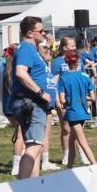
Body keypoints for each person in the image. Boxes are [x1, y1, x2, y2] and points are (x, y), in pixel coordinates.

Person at [11, 16, 53, 179]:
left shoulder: (30, 50)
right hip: (31, 103)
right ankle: (21, 187)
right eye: (41, 31)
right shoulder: (26, 49)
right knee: (34, 147)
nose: (44, 33)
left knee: (34, 145)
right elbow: (21, 73)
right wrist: (41, 93)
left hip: (31, 102)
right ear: (30, 33)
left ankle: (32, 187)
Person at [56, 52, 97, 168]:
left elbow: (62, 100)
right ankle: (69, 167)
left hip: (73, 112)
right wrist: (82, 97)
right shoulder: (85, 76)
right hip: (83, 111)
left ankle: (95, 165)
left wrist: (71, 98)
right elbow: (93, 97)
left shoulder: (63, 78)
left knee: (82, 142)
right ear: (78, 62)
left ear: (66, 63)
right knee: (71, 141)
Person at [0, 46, 24, 176]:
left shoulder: (2, 69)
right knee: (21, 136)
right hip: (18, 105)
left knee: (20, 133)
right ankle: (16, 166)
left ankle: (20, 161)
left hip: (7, 107)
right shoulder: (18, 68)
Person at [38, 42, 61, 171]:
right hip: (43, 102)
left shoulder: (46, 66)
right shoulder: (40, 65)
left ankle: (45, 160)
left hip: (49, 103)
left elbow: (53, 84)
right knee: (43, 135)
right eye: (47, 50)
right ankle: (43, 161)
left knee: (46, 134)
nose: (50, 54)